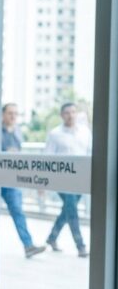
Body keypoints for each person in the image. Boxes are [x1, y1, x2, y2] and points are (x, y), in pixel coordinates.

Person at [44, 102, 91, 257]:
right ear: (62, 115)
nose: (71, 115)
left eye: (73, 112)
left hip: (80, 180)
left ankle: (52, 238)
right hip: (62, 180)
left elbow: (90, 153)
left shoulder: (85, 132)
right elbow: (48, 158)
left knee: (67, 210)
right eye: (67, 113)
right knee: (72, 211)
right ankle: (81, 246)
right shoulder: (55, 134)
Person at [0, 103, 45, 258]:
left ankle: (28, 246)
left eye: (16, 113)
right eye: (10, 113)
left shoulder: (18, 131)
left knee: (18, 212)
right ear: (2, 115)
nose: (13, 116)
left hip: (12, 179)